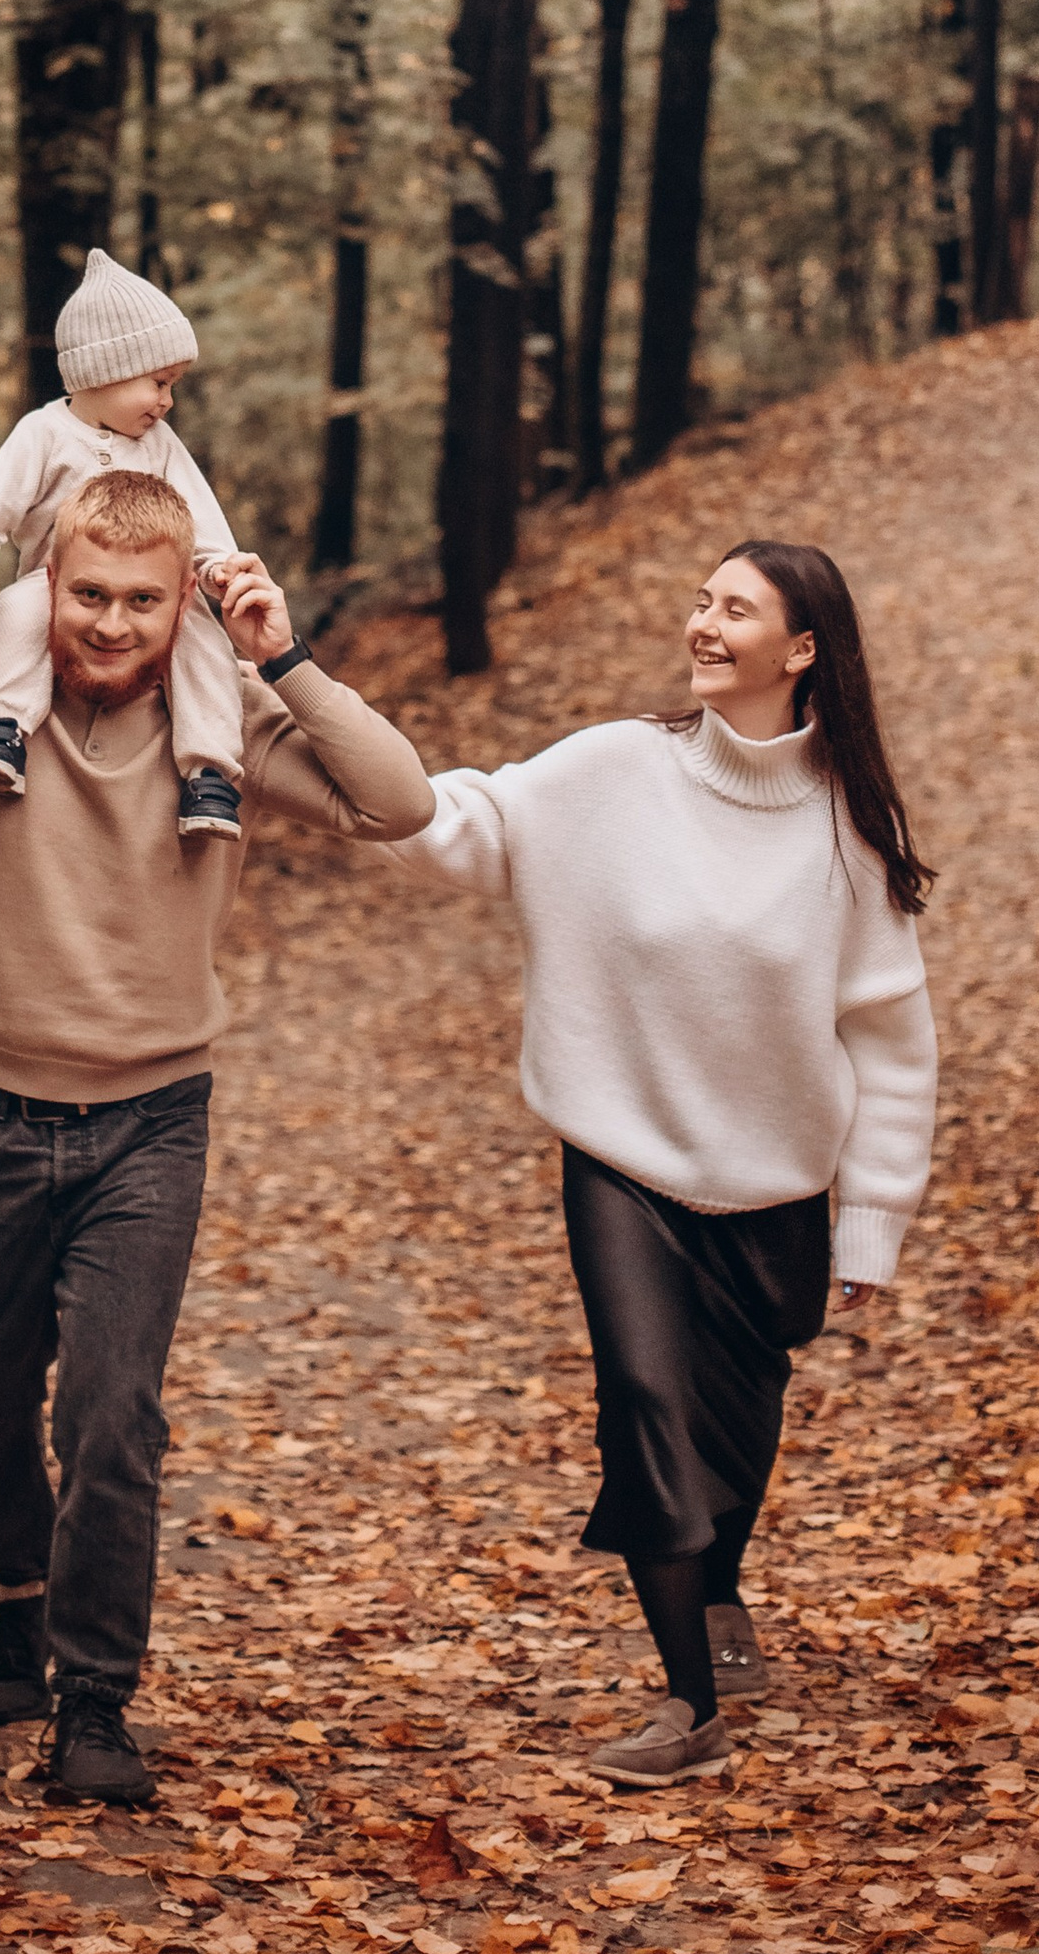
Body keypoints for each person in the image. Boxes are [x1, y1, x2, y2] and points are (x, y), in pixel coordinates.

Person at [0, 465, 435, 1808]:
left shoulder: (222, 720)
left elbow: (395, 803)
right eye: (88, 595)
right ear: (46, 588)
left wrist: (284, 657)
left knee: (112, 1414)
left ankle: (95, 1701)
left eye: (143, 602)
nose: (112, 626)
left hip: (150, 1122)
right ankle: (19, 1590)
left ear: (185, 607)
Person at [386, 538, 937, 1785]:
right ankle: (686, 1701)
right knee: (643, 1400)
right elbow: (462, 827)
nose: (701, 624)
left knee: (736, 1437)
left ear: (800, 651)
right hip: (621, 1154)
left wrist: (873, 1226)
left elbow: (893, 1043)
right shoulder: (617, 767)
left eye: (733, 610)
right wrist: (306, 718)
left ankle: (721, 1586)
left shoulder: (852, 827)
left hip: (778, 1187)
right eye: (699, 600)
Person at [0, 250, 252, 843]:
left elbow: (203, 520)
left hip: (153, 595)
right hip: (59, 588)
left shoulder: (160, 443)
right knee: (16, 610)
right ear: (106, 370)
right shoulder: (44, 433)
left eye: (172, 387)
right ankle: (3, 730)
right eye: (159, 383)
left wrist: (220, 568)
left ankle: (209, 772)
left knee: (203, 635)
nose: (167, 402)